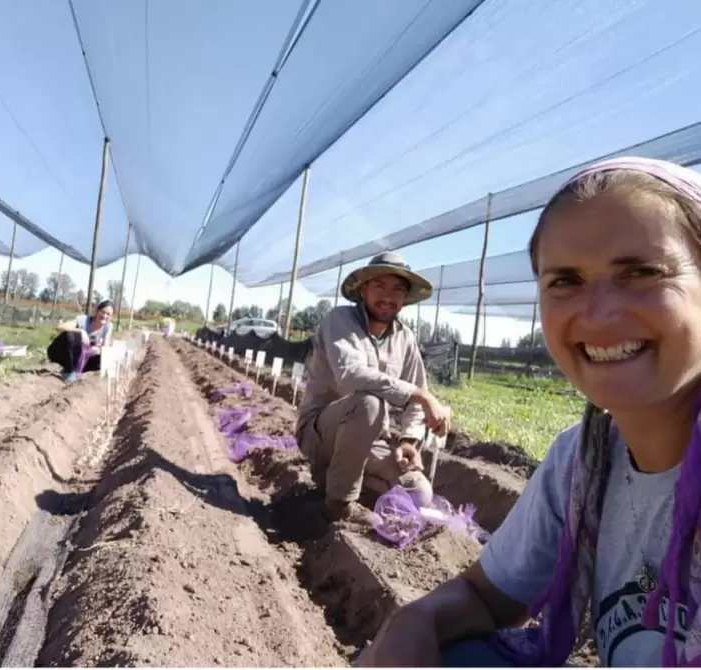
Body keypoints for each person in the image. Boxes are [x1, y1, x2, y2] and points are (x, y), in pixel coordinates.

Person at [357, 157, 701, 667]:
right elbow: (485, 596)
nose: (599, 314)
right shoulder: (582, 463)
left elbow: (415, 393)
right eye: (565, 281)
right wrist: (413, 620)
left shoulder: (408, 339)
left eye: (642, 272)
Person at [297, 251, 453, 524]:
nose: (388, 297)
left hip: (367, 441)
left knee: (419, 493)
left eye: (398, 290)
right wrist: (421, 395)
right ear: (363, 290)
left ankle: (336, 481)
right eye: (379, 286)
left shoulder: (405, 338)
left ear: (405, 298)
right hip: (321, 433)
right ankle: (339, 504)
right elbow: (351, 376)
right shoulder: (340, 320)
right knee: (369, 403)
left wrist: (408, 440)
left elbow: (416, 400)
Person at [46, 299, 114, 382]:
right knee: (70, 335)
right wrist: (81, 331)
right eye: (103, 312)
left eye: (108, 314)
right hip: (61, 353)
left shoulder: (108, 326)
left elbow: (105, 348)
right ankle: (69, 370)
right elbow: (60, 327)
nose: (105, 316)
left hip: (80, 358)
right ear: (97, 311)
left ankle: (77, 371)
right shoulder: (83, 320)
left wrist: (98, 350)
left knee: (101, 359)